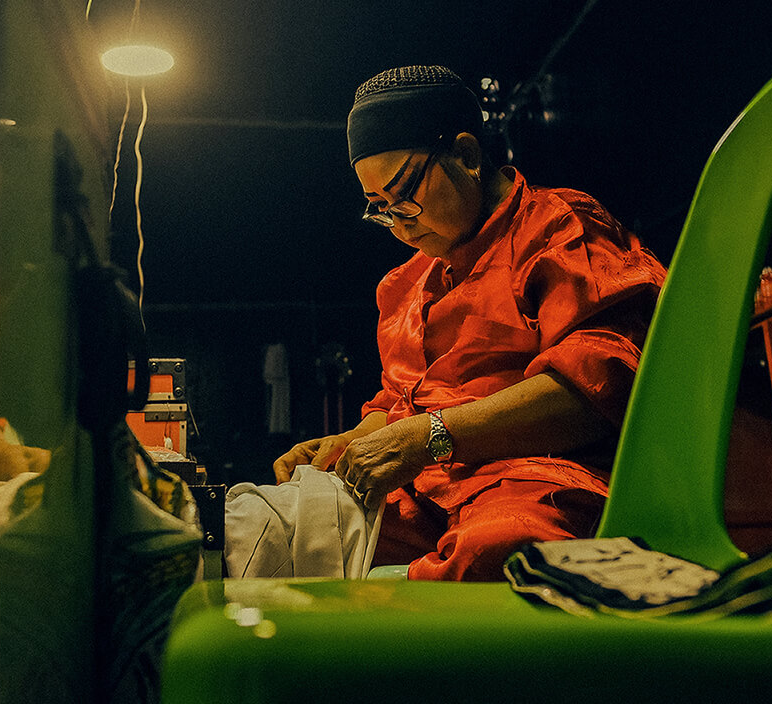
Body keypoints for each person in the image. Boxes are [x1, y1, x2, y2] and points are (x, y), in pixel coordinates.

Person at [274, 65, 665, 583]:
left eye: (404, 194)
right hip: (428, 489)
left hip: (534, 477)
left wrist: (432, 437)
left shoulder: (559, 231)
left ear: (466, 155)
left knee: (497, 550)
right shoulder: (405, 284)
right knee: (281, 528)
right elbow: (401, 407)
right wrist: (349, 442)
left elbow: (599, 388)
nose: (400, 221)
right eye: (380, 209)